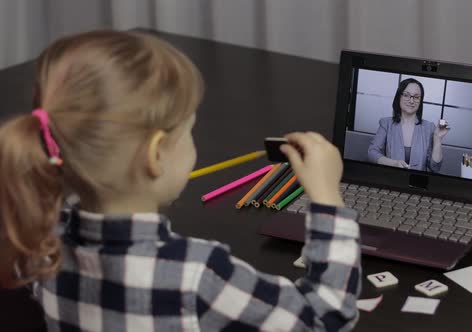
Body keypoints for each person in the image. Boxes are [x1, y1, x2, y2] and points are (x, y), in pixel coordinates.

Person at [0, 31, 361, 331]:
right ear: (156, 154)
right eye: (189, 129)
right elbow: (325, 316)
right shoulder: (196, 276)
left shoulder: (35, 243)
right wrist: (327, 200)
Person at [367, 78, 449, 172]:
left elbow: (435, 167)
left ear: (420, 100)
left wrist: (438, 139)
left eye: (416, 97)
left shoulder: (429, 127)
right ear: (399, 97)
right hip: (390, 180)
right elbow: (372, 153)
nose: (411, 101)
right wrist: (393, 163)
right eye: (406, 95)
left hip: (417, 183)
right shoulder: (386, 123)